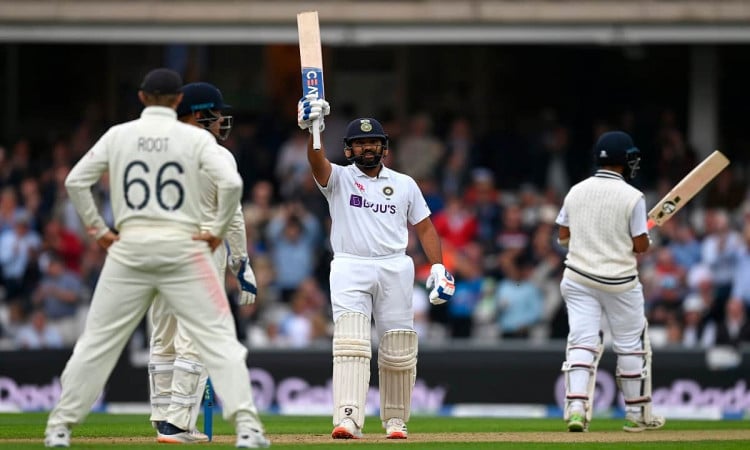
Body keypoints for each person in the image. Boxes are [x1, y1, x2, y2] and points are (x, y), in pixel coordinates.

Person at [43, 68, 269, 449]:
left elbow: (74, 182)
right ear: (180, 102)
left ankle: (61, 428)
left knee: (100, 343)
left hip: (129, 250)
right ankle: (240, 428)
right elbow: (232, 191)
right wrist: (233, 253)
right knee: (215, 342)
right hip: (186, 250)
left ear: (142, 97)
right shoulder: (199, 143)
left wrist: (100, 231)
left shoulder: (119, 135)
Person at [297, 94, 455, 440]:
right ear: (349, 149)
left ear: (384, 147)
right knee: (351, 343)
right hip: (350, 266)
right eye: (360, 143)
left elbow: (425, 227)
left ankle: (396, 421)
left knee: (398, 346)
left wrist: (439, 267)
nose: (367, 148)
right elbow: (316, 162)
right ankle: (349, 418)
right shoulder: (338, 178)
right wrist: (313, 130)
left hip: (395, 267)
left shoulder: (404, 184)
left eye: (373, 142)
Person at [146, 82, 260, 443]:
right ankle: (178, 423)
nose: (222, 121)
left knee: (163, 337)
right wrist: (241, 266)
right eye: (217, 114)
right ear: (200, 115)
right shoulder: (217, 156)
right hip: (199, 250)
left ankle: (163, 417)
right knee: (193, 337)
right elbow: (234, 217)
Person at [555, 130, 665, 433]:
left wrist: (590, 239)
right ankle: (634, 414)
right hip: (619, 281)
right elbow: (640, 246)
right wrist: (645, 239)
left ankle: (576, 408)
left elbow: (563, 236)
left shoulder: (575, 190)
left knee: (582, 341)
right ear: (625, 160)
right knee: (630, 345)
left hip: (577, 277)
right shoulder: (633, 197)